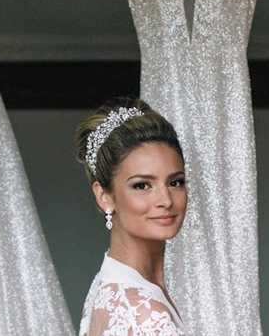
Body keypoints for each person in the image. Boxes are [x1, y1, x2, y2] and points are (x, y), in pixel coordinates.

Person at [75, 96, 188, 335]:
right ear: (104, 195)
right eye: (142, 185)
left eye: (175, 182)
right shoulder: (144, 313)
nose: (166, 200)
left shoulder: (109, 285)